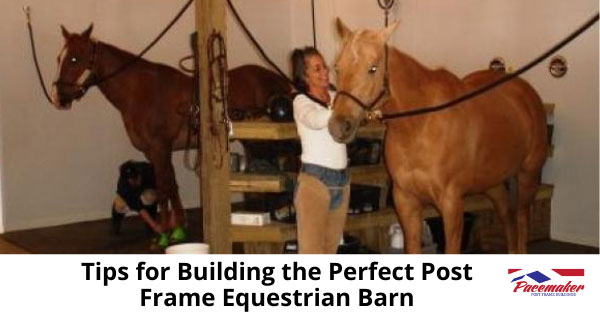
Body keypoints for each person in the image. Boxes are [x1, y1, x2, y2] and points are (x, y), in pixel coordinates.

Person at [291, 47, 350, 254]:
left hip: (342, 182)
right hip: (315, 183)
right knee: (311, 254)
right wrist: (342, 108)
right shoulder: (301, 101)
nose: (325, 72)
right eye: (317, 69)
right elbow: (315, 120)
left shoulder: (336, 97)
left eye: (324, 66)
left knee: (330, 251)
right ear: (304, 75)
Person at [111, 160, 182, 247]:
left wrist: (173, 217)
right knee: (119, 205)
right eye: (130, 181)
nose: (133, 183)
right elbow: (138, 207)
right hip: (131, 196)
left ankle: (151, 218)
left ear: (139, 175)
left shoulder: (152, 173)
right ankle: (116, 221)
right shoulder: (123, 184)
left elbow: (172, 190)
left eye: (135, 180)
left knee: (150, 196)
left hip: (147, 191)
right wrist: (155, 226)